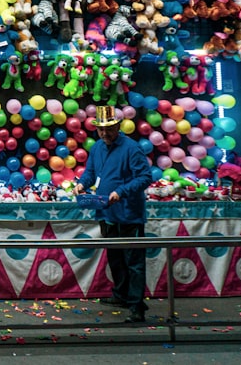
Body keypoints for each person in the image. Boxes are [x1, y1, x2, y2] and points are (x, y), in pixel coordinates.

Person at [74, 105, 153, 323]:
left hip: (129, 214)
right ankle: (121, 295)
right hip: (105, 211)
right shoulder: (97, 148)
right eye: (100, 130)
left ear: (118, 126)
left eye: (109, 129)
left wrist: (121, 191)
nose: (104, 134)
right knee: (115, 257)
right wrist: (81, 185)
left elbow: (145, 177)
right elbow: (90, 173)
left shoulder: (132, 148)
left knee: (134, 262)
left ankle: (137, 305)